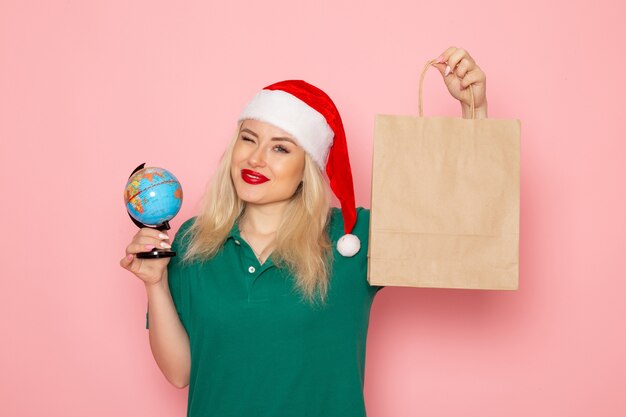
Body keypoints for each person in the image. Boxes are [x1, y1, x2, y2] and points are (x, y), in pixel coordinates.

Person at [120, 46, 488, 417]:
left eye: (280, 148)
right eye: (249, 139)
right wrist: (155, 283)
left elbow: (464, 232)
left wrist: (475, 112)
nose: (256, 158)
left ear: (307, 167)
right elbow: (181, 373)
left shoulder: (352, 238)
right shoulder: (194, 240)